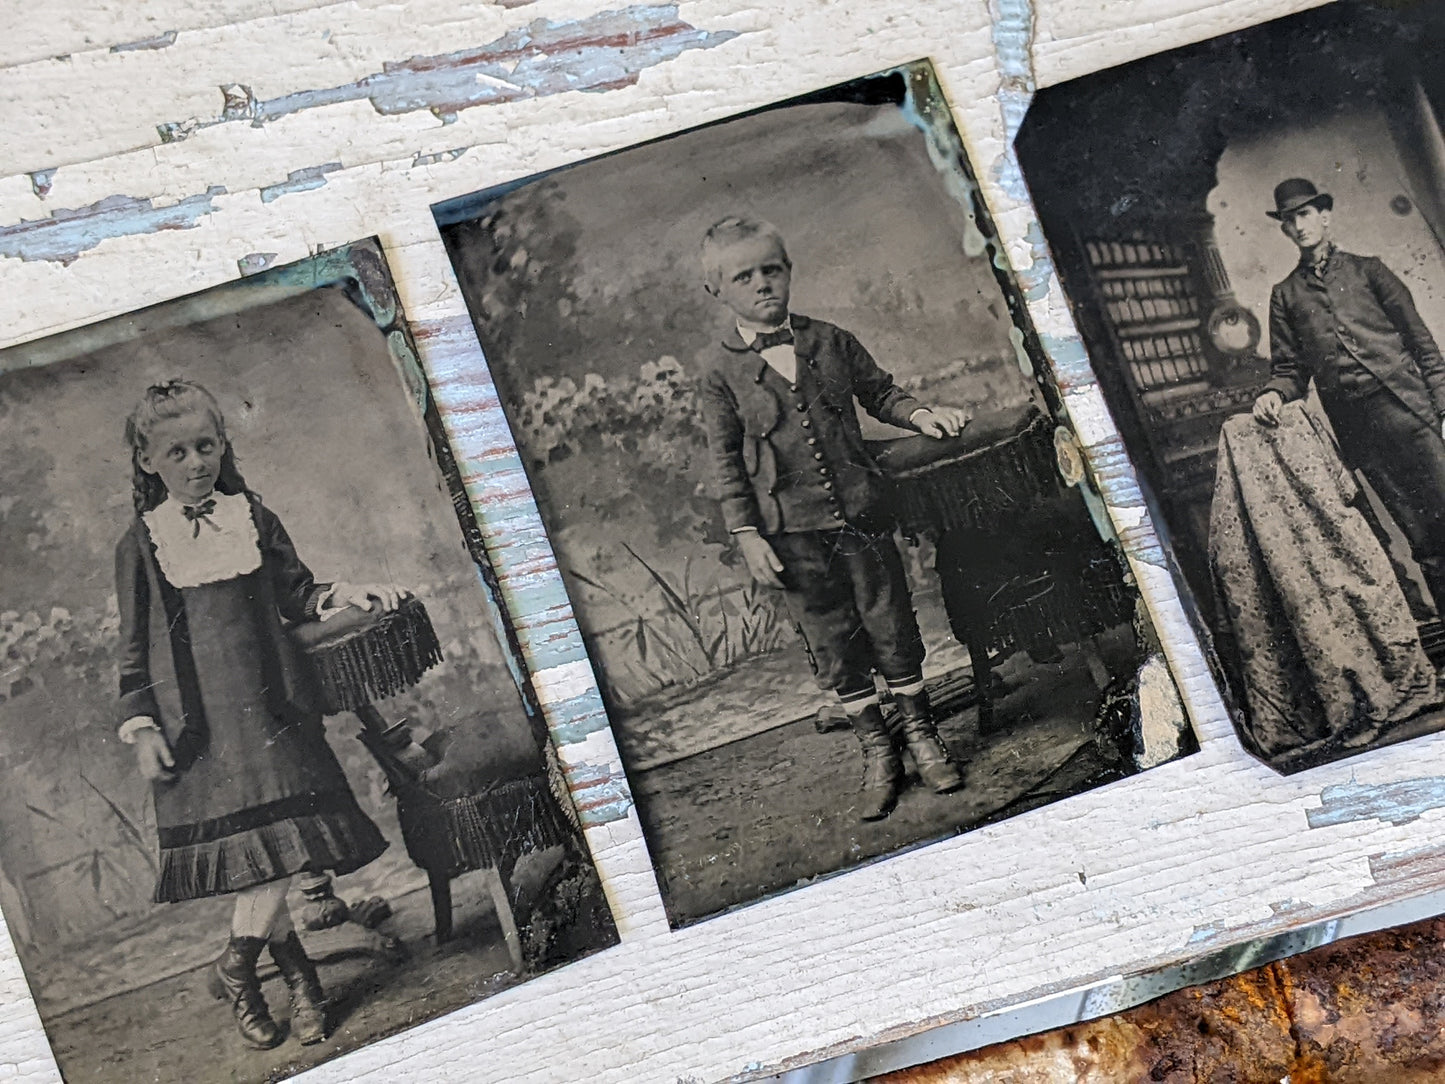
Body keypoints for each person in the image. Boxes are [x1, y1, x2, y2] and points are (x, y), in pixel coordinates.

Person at [114, 379, 405, 1049]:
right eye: (178, 451)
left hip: (272, 721)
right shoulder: (140, 544)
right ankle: (300, 981)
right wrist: (141, 726)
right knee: (261, 866)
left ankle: (240, 965)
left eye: (206, 446)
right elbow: (131, 653)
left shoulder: (253, 517)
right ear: (148, 459)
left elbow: (299, 594)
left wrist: (347, 596)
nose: (195, 462)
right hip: (201, 737)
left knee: (275, 860)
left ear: (223, 445)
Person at [696, 215, 970, 821]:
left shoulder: (831, 340)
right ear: (717, 289)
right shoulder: (719, 375)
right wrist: (746, 536)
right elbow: (726, 463)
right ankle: (878, 751)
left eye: (773, 268)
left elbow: (881, 392)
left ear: (789, 270)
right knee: (833, 643)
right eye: (745, 276)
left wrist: (920, 414)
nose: (763, 283)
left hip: (860, 517)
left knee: (891, 625)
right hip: (789, 535)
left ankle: (923, 736)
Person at [1252, 177, 1445, 610]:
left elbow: (1423, 345)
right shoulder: (1285, 295)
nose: (1298, 225)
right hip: (1361, 434)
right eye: (1289, 219)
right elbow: (1288, 369)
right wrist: (1273, 394)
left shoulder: (1369, 270)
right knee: (1419, 537)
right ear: (1283, 228)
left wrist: (1443, 407)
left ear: (1324, 215)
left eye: (1305, 214)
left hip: (1411, 413)